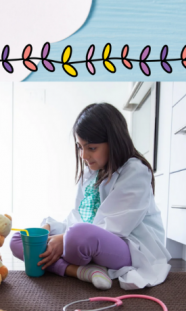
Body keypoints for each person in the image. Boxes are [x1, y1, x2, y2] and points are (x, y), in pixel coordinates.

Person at [11, 101, 170, 290]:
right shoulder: (91, 172)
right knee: (19, 240)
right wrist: (50, 228)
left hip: (130, 247)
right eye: (80, 147)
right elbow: (78, 218)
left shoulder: (135, 171)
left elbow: (113, 228)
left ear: (114, 142)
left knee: (77, 238)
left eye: (91, 148)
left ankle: (70, 265)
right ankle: (80, 271)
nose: (83, 155)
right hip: (87, 241)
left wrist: (63, 239)